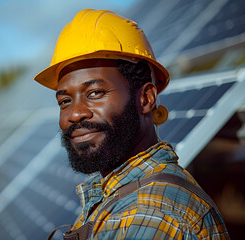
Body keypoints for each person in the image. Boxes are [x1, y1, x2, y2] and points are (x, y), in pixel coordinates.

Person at [35, 9, 229, 239]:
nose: (75, 114)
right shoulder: (114, 197)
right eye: (65, 100)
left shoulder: (149, 216)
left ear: (146, 99)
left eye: (95, 92)